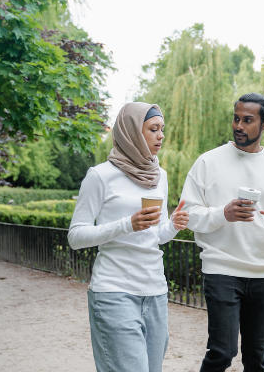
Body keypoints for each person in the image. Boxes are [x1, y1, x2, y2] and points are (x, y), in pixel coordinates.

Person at [179, 92, 264, 372]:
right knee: (222, 352)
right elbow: (187, 216)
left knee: (257, 359)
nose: (239, 126)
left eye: (248, 120)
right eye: (236, 118)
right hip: (221, 269)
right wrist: (223, 213)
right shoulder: (207, 162)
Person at [68, 102, 189, 372]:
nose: (161, 136)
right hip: (114, 291)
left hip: (155, 290)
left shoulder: (160, 176)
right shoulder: (100, 175)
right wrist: (126, 224)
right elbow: (76, 237)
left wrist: (173, 225)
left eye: (162, 130)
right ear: (132, 131)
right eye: (153, 129)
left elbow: (155, 235)